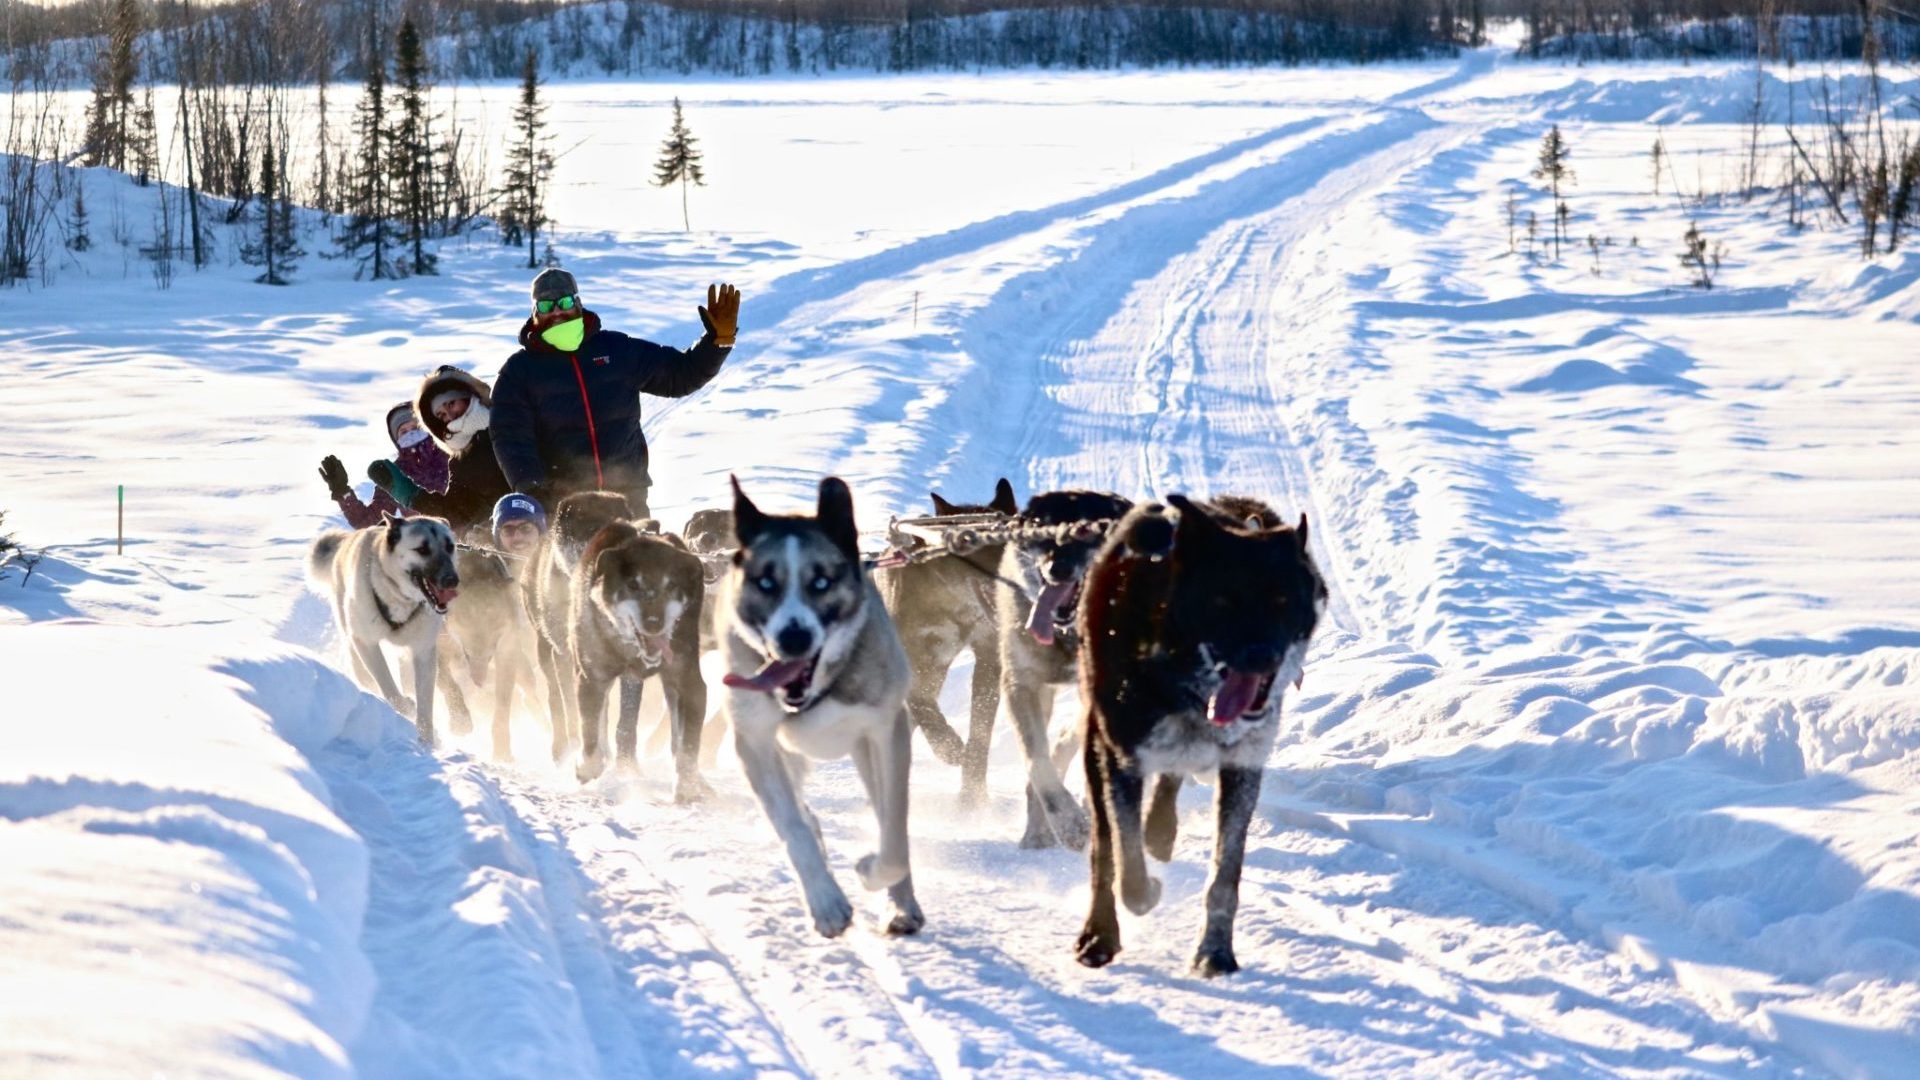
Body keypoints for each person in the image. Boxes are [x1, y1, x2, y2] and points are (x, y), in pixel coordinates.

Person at [490, 268, 740, 518]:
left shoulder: (617, 350)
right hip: (563, 506)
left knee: (640, 559)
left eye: (564, 302)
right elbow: (509, 436)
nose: (557, 312)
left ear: (578, 303)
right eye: (546, 306)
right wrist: (533, 488)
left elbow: (681, 375)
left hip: (628, 498)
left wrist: (717, 342)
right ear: (535, 312)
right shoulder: (519, 371)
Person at [368, 366, 512, 534]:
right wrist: (409, 494)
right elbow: (454, 513)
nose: (450, 417)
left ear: (470, 396)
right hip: (508, 540)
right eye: (441, 415)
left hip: (539, 529)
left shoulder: (512, 426)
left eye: (451, 404)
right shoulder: (461, 461)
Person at [318, 403, 450, 528]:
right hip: (428, 546)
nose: (411, 434)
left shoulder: (453, 456)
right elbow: (368, 523)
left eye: (416, 428)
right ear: (396, 440)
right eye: (403, 432)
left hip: (465, 541)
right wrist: (342, 491)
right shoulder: (394, 472)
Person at [490, 492, 547, 557]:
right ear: (499, 538)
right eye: (508, 531)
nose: (518, 537)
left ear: (540, 533)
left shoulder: (559, 563)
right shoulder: (483, 565)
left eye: (526, 528)